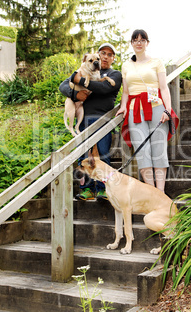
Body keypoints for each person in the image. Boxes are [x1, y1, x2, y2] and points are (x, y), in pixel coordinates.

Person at [116, 29, 178, 193]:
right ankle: (152, 194)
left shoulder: (156, 62)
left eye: (142, 40)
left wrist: (167, 110)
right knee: (142, 151)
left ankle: (161, 193)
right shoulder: (126, 65)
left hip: (156, 107)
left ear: (147, 43)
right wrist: (123, 106)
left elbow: (164, 88)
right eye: (135, 40)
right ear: (131, 43)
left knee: (159, 149)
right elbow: (126, 92)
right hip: (135, 109)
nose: (138, 43)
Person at [59, 43, 122, 200]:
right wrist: (74, 94)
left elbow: (104, 88)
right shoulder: (85, 69)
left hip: (103, 120)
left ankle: (102, 188)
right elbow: (63, 86)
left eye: (109, 54)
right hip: (84, 118)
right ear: (97, 56)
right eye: (103, 53)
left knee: (103, 155)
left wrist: (80, 80)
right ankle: (86, 188)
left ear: (113, 58)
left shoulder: (115, 74)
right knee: (83, 157)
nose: (105, 57)